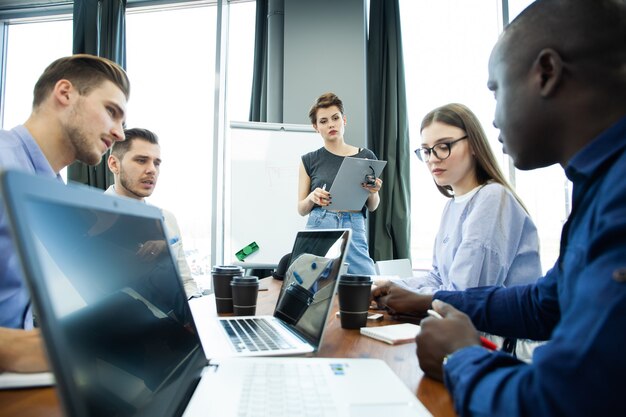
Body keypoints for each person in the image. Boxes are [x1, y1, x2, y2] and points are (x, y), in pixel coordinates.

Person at [373, 0, 626, 415]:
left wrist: (460, 357)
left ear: (546, 73)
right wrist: (423, 301)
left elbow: (566, 399)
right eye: (426, 151)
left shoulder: (616, 195)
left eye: (497, 90)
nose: (493, 119)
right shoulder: (598, 185)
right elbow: (544, 303)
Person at [0, 54, 130, 372]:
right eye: (111, 112)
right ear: (65, 93)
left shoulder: (51, 190)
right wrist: (10, 348)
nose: (120, 134)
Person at [397, 103, 541, 293]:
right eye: (426, 150)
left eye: (443, 146)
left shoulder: (493, 197)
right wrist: (389, 286)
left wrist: (402, 295)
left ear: (473, 145)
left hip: (500, 321)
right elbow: (438, 277)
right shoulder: (452, 205)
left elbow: (467, 293)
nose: (432, 158)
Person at [106, 128, 201, 299]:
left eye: (156, 163)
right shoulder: (88, 216)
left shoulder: (167, 219)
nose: (152, 170)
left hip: (170, 320)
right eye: (141, 160)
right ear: (114, 164)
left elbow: (186, 282)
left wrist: (193, 305)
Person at [298, 92, 382, 275]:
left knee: (366, 282)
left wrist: (373, 191)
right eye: (323, 121)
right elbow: (302, 209)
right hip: (320, 223)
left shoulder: (366, 156)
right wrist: (312, 197)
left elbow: (373, 206)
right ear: (315, 127)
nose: (331, 124)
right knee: (311, 285)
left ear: (344, 120)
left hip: (353, 224)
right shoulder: (309, 160)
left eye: (335, 118)